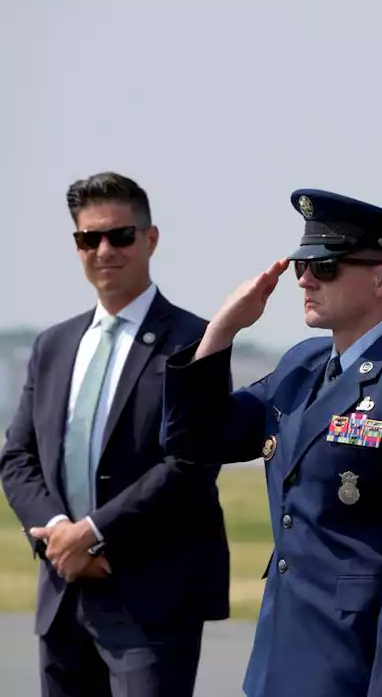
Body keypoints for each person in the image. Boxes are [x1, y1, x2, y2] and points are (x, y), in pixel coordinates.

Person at [158, 189, 382, 697]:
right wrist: (223, 330)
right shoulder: (301, 366)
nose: (304, 278)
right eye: (302, 264)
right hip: (279, 660)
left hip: (351, 666)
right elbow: (194, 437)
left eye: (325, 267)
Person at [0, 171, 230, 696]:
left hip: (150, 599)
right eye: (89, 238)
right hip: (63, 592)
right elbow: (17, 459)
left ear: (150, 239)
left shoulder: (195, 341)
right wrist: (60, 533)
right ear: (77, 246)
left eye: (120, 235)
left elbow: (191, 464)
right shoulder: (53, 345)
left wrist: (94, 532)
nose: (105, 249)